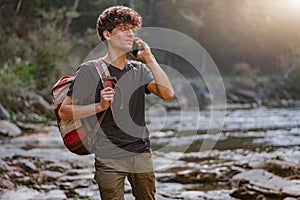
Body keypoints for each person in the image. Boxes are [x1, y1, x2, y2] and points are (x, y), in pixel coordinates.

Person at [59, 5, 174, 200]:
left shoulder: (139, 70)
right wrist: (99, 106)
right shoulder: (90, 70)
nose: (130, 34)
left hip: (141, 152)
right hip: (108, 155)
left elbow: (167, 93)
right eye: (123, 29)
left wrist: (150, 58)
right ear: (107, 35)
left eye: (132, 29)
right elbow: (65, 111)